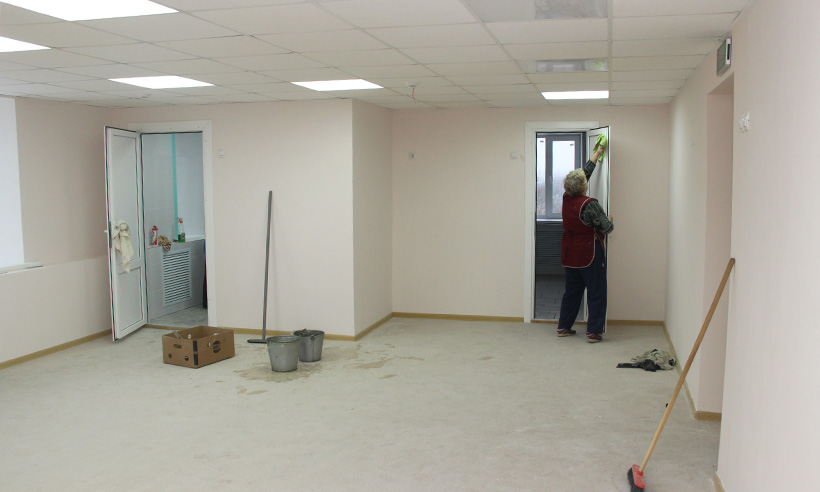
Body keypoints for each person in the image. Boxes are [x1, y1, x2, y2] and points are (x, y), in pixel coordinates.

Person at [556, 139, 613, 343]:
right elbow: (607, 228)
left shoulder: (566, 197)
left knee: (572, 292)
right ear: (583, 186)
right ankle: (593, 332)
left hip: (570, 252)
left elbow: (583, 175)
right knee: (596, 291)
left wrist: (597, 153)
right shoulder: (590, 204)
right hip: (589, 253)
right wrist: (610, 220)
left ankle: (564, 326)